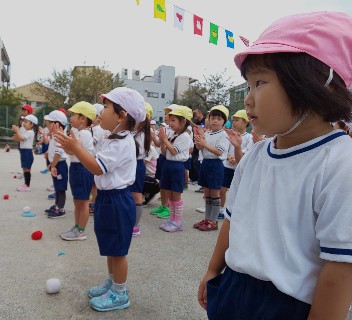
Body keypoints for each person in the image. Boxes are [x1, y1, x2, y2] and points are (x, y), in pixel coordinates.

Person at [198, 11, 352, 320]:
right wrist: (213, 269)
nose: (248, 99)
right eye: (248, 86)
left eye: (259, 82)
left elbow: (340, 265)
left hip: (288, 305)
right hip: (234, 288)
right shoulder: (256, 154)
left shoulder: (339, 162)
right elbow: (233, 218)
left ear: (320, 85)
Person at [54, 87, 145, 312]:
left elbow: (97, 167)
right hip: (107, 198)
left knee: (118, 250)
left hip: (117, 200)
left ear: (122, 114)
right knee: (109, 245)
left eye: (105, 107)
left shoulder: (122, 142)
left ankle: (120, 292)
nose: (100, 113)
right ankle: (112, 282)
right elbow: (98, 161)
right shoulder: (112, 137)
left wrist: (75, 147)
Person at [59, 101, 96, 240]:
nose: (70, 117)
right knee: (77, 201)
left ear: (83, 118)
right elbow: (70, 150)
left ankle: (81, 230)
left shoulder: (84, 134)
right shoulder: (76, 132)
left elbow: (71, 149)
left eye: (73, 114)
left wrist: (64, 141)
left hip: (82, 169)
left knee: (83, 201)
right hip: (75, 167)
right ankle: (76, 226)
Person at [193, 105, 230, 231]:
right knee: (207, 193)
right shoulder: (207, 133)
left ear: (224, 122)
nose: (215, 121)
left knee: (215, 193)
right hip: (206, 163)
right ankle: (207, 219)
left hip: (216, 165)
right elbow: (200, 149)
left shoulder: (223, 135)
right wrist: (199, 142)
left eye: (219, 119)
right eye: (212, 118)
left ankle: (213, 221)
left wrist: (204, 144)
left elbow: (219, 152)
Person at [158, 105, 193, 232]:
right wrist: (163, 141)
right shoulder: (173, 134)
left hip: (177, 167)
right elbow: (164, 152)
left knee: (176, 195)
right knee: (170, 195)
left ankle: (177, 222)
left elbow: (173, 151)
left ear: (183, 122)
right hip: (168, 165)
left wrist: (165, 140)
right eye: (170, 120)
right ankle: (172, 219)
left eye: (173, 120)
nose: (170, 123)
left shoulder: (185, 137)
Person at [150, 104, 177, 218]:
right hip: (162, 158)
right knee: (162, 183)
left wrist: (164, 140)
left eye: (170, 114)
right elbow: (158, 144)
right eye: (166, 114)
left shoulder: (176, 131)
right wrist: (153, 136)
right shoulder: (164, 128)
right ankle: (163, 205)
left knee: (169, 185)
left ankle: (169, 208)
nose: (166, 116)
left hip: (170, 159)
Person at [42, 111, 69, 218]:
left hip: (60, 165)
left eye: (48, 123)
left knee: (61, 187)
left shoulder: (60, 135)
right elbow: (53, 150)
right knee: (57, 187)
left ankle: (60, 208)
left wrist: (53, 165)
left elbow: (59, 152)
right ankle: (56, 205)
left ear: (56, 124)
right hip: (56, 164)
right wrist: (50, 158)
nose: (47, 125)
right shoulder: (55, 135)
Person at [130, 105, 151, 237]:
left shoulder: (142, 135)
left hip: (136, 165)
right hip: (131, 164)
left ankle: (135, 226)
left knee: (137, 195)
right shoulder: (134, 132)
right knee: (130, 194)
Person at [12, 114, 38, 191]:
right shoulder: (27, 131)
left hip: (27, 152)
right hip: (24, 152)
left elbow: (21, 138)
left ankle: (27, 185)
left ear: (32, 124)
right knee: (25, 168)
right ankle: (25, 184)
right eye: (24, 122)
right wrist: (16, 135)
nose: (24, 123)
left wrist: (17, 130)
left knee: (26, 169)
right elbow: (18, 139)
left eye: (26, 122)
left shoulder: (30, 132)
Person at [190, 107, 206, 183]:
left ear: (200, 113)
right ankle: (193, 178)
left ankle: (198, 178)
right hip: (195, 143)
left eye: (195, 113)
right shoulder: (195, 121)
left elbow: (201, 129)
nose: (194, 115)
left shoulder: (204, 121)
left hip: (202, 143)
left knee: (197, 161)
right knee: (193, 161)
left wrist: (191, 123)